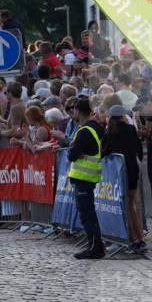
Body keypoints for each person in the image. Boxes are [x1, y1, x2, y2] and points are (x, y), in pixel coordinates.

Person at [102, 104, 145, 252]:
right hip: (131, 169)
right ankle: (138, 238)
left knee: (126, 206)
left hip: (118, 172)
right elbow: (138, 148)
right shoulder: (130, 129)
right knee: (131, 205)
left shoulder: (110, 132)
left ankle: (133, 239)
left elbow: (104, 151)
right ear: (123, 115)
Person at [67, 96, 105, 259]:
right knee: (89, 214)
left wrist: (73, 149)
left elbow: (71, 154)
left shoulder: (84, 131)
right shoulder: (95, 128)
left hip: (84, 179)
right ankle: (96, 246)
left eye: (73, 110)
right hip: (87, 179)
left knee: (87, 215)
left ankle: (95, 248)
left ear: (77, 111)